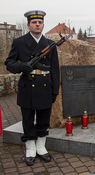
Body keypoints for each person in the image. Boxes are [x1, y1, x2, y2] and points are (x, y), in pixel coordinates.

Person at [5, 10, 59, 166]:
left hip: (45, 87)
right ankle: (30, 149)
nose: (37, 25)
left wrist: (55, 89)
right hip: (27, 86)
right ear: (28, 25)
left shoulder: (50, 44)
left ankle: (41, 147)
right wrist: (21, 66)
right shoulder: (19, 42)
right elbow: (9, 63)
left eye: (40, 22)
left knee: (43, 119)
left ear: (43, 25)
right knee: (28, 120)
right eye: (34, 22)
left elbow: (55, 68)